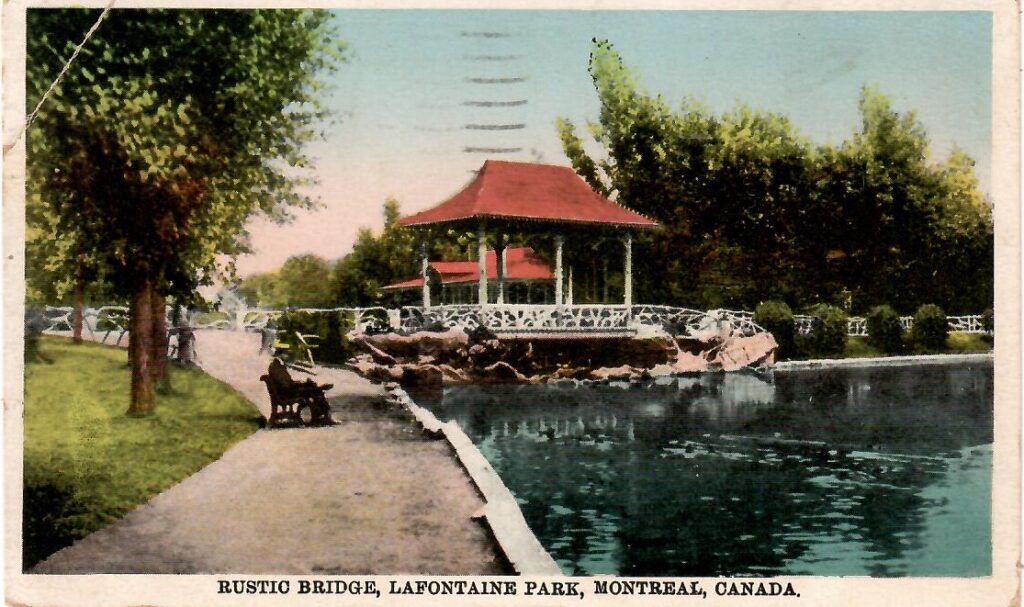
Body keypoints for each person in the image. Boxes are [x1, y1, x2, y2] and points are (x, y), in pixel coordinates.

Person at [267, 358, 336, 425]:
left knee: (312, 387)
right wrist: (300, 384)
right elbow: (285, 385)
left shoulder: (278, 367)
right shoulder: (276, 368)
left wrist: (302, 383)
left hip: (289, 390)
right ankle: (322, 413)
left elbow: (288, 383)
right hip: (288, 393)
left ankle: (321, 412)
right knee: (313, 389)